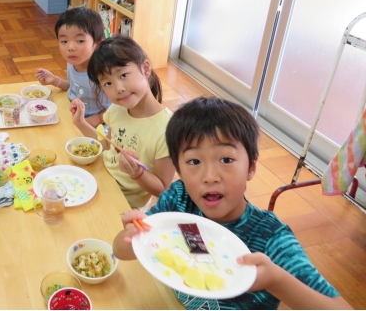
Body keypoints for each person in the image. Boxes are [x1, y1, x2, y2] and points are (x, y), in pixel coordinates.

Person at [113, 96, 350, 310]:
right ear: (179, 170)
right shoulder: (179, 199)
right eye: (194, 161)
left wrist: (276, 281)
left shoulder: (269, 236)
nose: (210, 176)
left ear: (251, 167)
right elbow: (119, 251)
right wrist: (132, 234)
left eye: (226, 159)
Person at [71, 35, 175, 208]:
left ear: (145, 69)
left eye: (124, 75)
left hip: (125, 204)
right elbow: (107, 146)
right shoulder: (117, 109)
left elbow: (162, 189)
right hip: (101, 181)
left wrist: (138, 173)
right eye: (108, 83)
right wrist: (80, 123)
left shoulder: (169, 129)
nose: (118, 88)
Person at [35, 7, 111, 127]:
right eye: (64, 41)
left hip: (94, 126)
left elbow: (115, 110)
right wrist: (55, 80)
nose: (70, 47)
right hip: (70, 114)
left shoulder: (103, 75)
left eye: (80, 41)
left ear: (97, 44)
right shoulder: (73, 62)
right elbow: (75, 88)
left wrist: (88, 122)